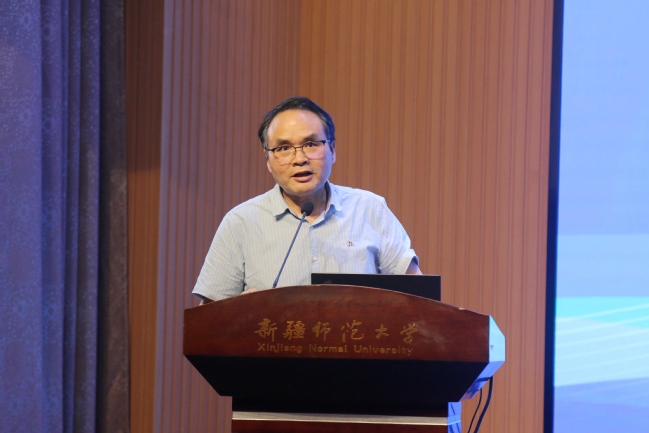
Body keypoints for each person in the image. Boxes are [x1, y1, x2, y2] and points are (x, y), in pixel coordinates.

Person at [193, 96, 421, 303]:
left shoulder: (370, 209)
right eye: (284, 148)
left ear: (332, 150)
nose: (299, 159)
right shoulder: (241, 222)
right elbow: (208, 322)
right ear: (268, 160)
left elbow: (419, 299)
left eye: (311, 144)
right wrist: (239, 313)